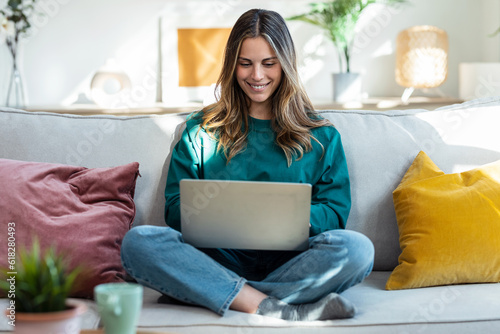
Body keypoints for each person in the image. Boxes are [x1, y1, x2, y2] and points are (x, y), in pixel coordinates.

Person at [120, 8, 374, 321]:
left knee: (358, 249)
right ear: (232, 65)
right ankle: (274, 307)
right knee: (138, 243)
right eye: (245, 63)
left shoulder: (321, 135)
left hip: (292, 262)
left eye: (269, 63)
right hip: (216, 259)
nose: (257, 75)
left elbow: (335, 213)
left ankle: (221, 293)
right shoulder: (200, 130)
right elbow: (174, 210)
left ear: (286, 64)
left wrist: (286, 216)